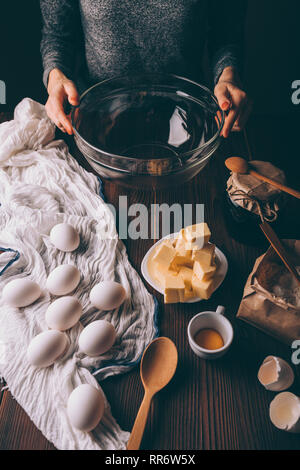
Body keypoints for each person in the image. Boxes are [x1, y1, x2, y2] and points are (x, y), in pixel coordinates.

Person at [40, 0, 251, 138]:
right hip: (96, 120)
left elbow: (227, 33)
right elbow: (58, 34)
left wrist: (228, 75)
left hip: (188, 119)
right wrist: (56, 76)